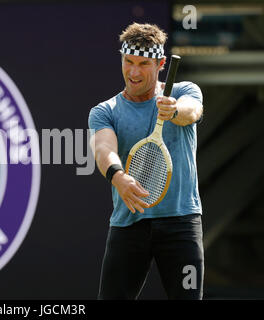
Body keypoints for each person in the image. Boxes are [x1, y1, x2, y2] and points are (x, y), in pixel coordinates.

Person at [88, 22, 204, 300]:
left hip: (181, 223)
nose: (134, 72)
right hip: (128, 225)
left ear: (161, 63)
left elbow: (193, 111)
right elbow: (104, 149)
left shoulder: (183, 92)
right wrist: (118, 176)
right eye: (128, 62)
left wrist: (175, 109)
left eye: (143, 64)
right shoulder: (104, 111)